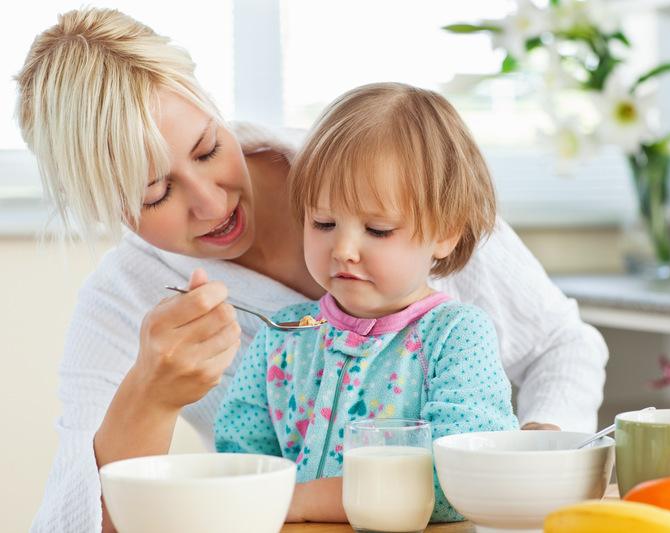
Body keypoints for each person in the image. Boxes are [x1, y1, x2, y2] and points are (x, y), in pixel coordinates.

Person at [15, 7, 607, 533]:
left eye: (205, 150)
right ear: (103, 205)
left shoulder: (393, 166)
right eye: (154, 193)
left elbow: (560, 345)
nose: (212, 203)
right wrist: (149, 399)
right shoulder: (125, 299)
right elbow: (70, 520)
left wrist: (527, 460)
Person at [214, 82, 520, 522]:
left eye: (377, 230)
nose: (343, 249)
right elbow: (239, 462)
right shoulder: (281, 336)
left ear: (445, 231)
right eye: (323, 222)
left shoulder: (455, 336)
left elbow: (465, 479)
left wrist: (300, 503)